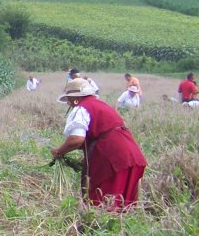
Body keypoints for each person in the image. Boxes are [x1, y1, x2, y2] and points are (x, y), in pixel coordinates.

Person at [50, 78, 147, 210]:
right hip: (131, 155)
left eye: (69, 99)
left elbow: (76, 139)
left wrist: (59, 151)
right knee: (124, 207)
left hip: (113, 158)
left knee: (102, 205)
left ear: (75, 97)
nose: (69, 103)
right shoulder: (101, 105)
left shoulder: (82, 108)